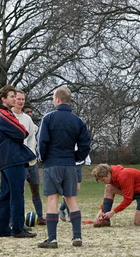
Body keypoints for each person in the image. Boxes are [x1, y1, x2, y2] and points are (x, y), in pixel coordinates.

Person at [36, 86, 91, 248]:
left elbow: (42, 142)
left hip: (52, 164)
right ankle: (77, 237)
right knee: (72, 200)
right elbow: (85, 145)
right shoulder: (78, 121)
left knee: (52, 200)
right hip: (70, 164)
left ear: (57, 99)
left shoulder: (48, 118)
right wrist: (77, 157)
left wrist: (43, 159)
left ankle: (52, 239)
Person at [0, 84, 37, 238]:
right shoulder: (3, 114)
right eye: (11, 96)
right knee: (17, 193)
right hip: (12, 159)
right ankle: (17, 228)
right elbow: (22, 131)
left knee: (5, 193)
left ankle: (2, 228)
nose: (15, 99)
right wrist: (20, 132)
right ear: (3, 99)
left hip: (7, 159)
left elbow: (21, 132)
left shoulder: (4, 113)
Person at [91, 163, 140, 227]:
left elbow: (128, 199)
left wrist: (113, 212)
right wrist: (102, 210)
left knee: (138, 222)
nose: (103, 182)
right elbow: (109, 194)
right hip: (132, 190)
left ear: (108, 174)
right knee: (109, 188)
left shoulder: (123, 176)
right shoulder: (112, 176)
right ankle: (105, 219)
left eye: (103, 180)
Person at [12, 90, 45, 225]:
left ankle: (40, 217)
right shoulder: (9, 117)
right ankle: (15, 219)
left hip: (31, 162)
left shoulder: (28, 119)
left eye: (22, 99)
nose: (20, 101)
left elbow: (32, 138)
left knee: (35, 190)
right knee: (18, 192)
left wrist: (31, 153)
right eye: (18, 99)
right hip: (17, 162)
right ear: (13, 100)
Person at [59, 148, 91, 222]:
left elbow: (83, 146)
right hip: (68, 164)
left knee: (76, 189)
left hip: (78, 164)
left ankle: (61, 209)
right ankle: (70, 215)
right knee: (69, 191)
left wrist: (87, 159)